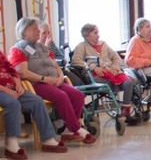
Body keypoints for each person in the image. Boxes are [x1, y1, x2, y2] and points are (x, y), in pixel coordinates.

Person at [0, 21, 67, 159]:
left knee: (37, 101)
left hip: (11, 86)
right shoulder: (18, 48)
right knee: (12, 103)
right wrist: (7, 90)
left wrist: (17, 83)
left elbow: (11, 68)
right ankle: (11, 143)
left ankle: (48, 139)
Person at [9, 17, 96, 145]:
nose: (38, 31)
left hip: (54, 80)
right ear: (24, 32)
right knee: (61, 96)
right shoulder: (18, 49)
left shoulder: (42, 47)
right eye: (34, 29)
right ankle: (76, 128)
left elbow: (55, 65)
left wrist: (60, 76)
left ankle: (68, 131)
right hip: (36, 83)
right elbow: (22, 72)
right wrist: (44, 79)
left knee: (78, 95)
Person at [71, 23, 139, 122]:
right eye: (95, 33)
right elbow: (76, 61)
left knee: (128, 83)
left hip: (111, 72)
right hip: (94, 75)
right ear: (87, 35)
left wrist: (115, 68)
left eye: (98, 32)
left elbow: (116, 57)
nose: (98, 35)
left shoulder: (103, 44)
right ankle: (97, 109)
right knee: (109, 85)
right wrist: (94, 67)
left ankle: (126, 113)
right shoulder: (81, 46)